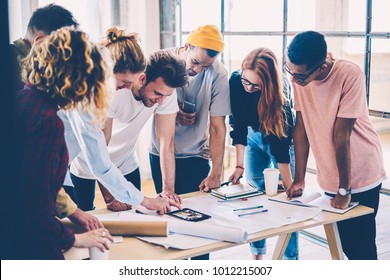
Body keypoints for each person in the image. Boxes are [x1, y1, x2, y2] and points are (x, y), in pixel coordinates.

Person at [285, 31, 387, 260]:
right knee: (345, 246)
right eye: (289, 70)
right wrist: (299, 178)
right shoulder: (300, 78)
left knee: (361, 250)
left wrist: (344, 190)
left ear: (321, 67)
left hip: (360, 175)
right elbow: (301, 127)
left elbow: (342, 135)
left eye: (299, 76)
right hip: (331, 176)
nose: (293, 80)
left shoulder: (349, 74)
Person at [15, 28, 113, 259]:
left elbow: (30, 182)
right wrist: (77, 239)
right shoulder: (49, 124)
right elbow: (34, 209)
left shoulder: (22, 99)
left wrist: (75, 213)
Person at [68, 27, 187, 212]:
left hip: (124, 161)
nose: (160, 101)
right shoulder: (110, 91)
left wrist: (168, 190)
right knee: (83, 214)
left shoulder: (164, 91)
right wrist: (109, 195)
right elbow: (100, 153)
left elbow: (167, 141)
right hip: (86, 162)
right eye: (157, 93)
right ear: (143, 79)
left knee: (133, 214)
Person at [9, 3, 103, 231]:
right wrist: (71, 235)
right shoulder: (26, 93)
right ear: (41, 43)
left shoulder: (30, 90)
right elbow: (32, 188)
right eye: (66, 50)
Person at [149, 24, 230, 260]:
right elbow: (146, 99)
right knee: (167, 219)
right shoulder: (161, 62)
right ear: (186, 47)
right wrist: (171, 113)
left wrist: (216, 171)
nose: (198, 70)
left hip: (195, 154)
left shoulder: (218, 74)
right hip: (161, 152)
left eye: (206, 66)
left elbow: (217, 127)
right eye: (195, 62)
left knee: (198, 227)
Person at [228, 48, 297, 260]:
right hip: (252, 137)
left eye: (255, 86)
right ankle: (257, 258)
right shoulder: (235, 81)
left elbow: (281, 145)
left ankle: (290, 260)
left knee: (288, 204)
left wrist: (288, 185)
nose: (248, 88)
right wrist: (239, 166)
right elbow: (238, 125)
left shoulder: (280, 91)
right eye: (245, 82)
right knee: (255, 195)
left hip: (278, 137)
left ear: (267, 85)